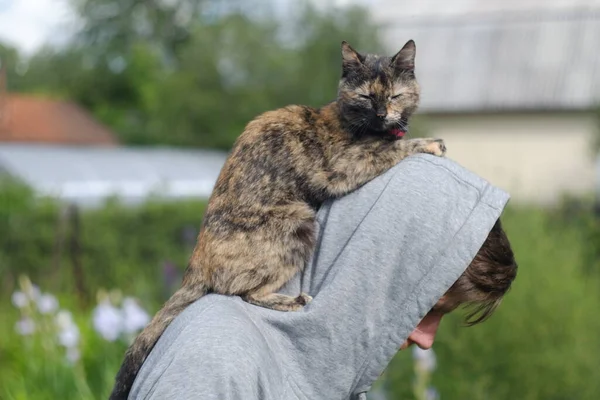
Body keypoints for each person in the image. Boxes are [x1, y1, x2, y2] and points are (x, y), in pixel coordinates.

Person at [128, 154, 518, 400]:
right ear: (372, 265)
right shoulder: (217, 356)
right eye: (425, 307)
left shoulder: (332, 377)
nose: (426, 340)